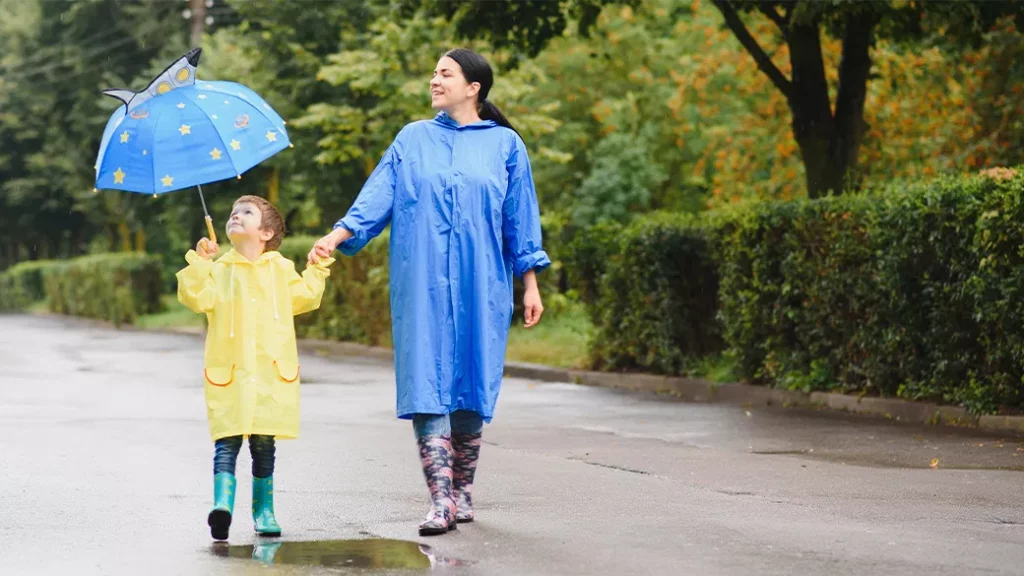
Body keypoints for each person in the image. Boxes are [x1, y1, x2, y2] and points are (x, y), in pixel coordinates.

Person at [308, 48, 549, 536]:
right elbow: (377, 195)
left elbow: (519, 220)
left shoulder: (505, 145)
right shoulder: (412, 139)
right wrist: (336, 236)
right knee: (426, 381)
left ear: (473, 87)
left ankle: (463, 492)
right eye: (435, 73)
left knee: (473, 384)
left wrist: (530, 284)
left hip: (482, 283)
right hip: (421, 282)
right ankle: (440, 500)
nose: (434, 80)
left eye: (445, 73)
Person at [178, 195, 334, 541]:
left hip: (269, 374)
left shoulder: (280, 269)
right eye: (232, 212)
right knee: (227, 440)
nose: (235, 215)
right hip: (230, 372)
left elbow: (306, 296)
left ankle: (264, 511)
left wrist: (318, 267)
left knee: (264, 444)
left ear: (265, 233)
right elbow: (195, 298)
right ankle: (222, 506)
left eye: (246, 213)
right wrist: (201, 262)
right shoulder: (219, 271)